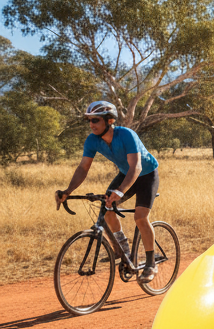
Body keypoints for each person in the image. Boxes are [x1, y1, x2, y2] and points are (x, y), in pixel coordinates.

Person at [54, 101, 161, 281]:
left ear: (109, 120)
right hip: (125, 174)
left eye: (95, 120)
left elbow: (136, 167)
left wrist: (120, 191)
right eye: (88, 121)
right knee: (107, 210)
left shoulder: (126, 135)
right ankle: (124, 252)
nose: (91, 125)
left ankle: (151, 264)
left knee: (140, 217)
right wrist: (68, 191)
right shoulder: (92, 140)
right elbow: (83, 168)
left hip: (146, 174)